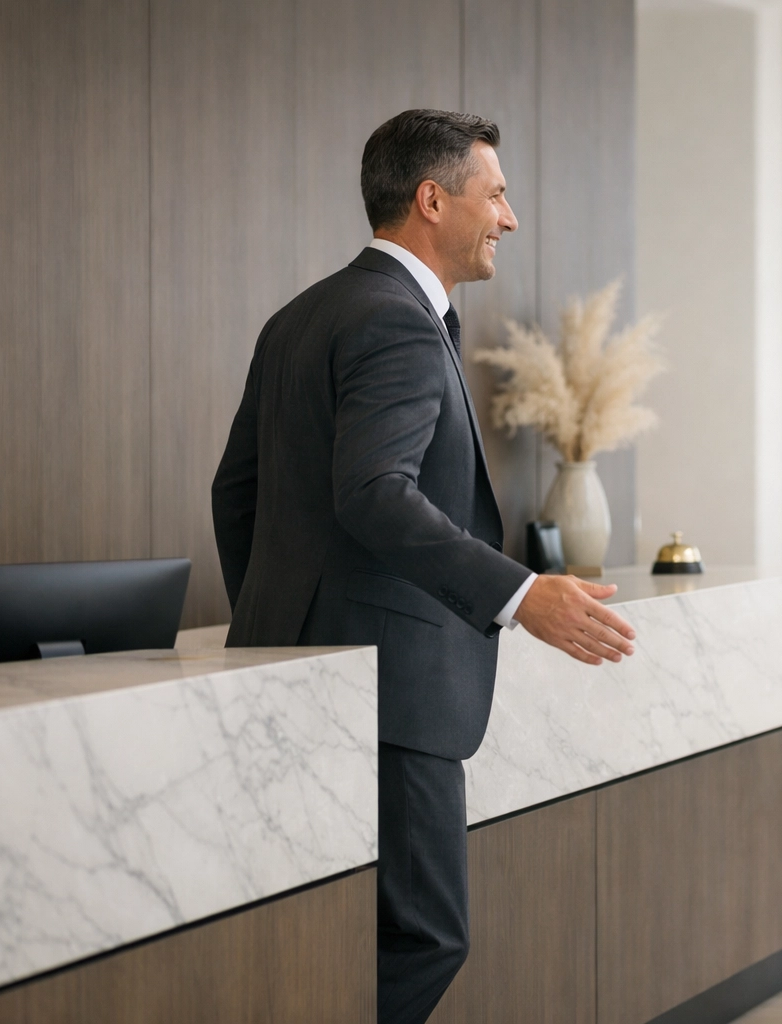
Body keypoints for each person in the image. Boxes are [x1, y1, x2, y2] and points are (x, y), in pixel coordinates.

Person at [211, 108, 638, 1024]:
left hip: (288, 672)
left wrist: (276, 622)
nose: (510, 219)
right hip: (389, 690)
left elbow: (234, 495)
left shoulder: (301, 316)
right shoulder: (396, 321)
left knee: (325, 927)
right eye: (497, 194)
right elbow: (373, 492)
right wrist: (519, 592)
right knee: (422, 936)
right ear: (432, 198)